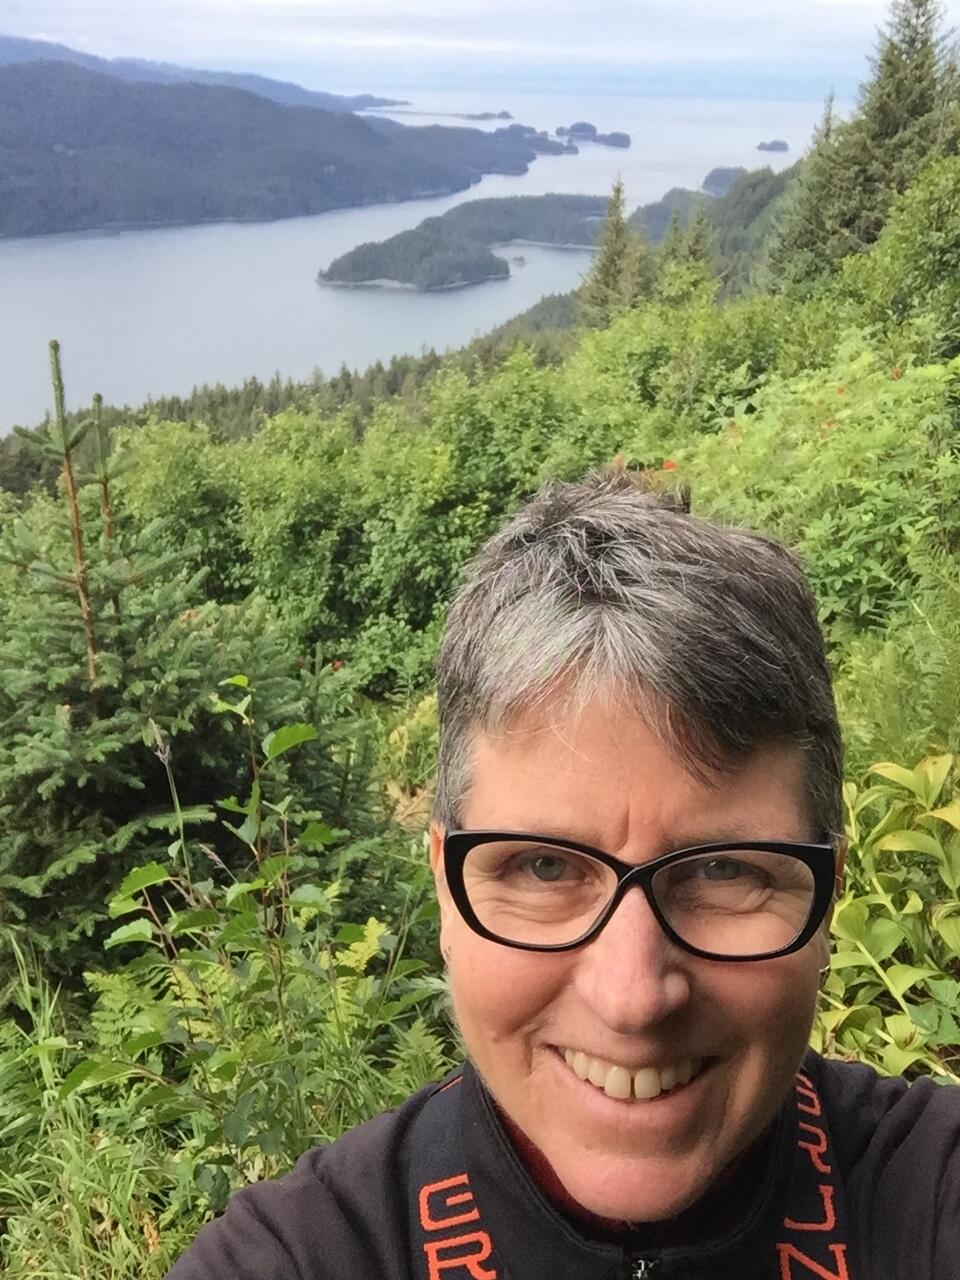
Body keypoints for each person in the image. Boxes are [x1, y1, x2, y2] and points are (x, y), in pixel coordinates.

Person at [168, 470, 960, 1280]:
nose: (634, 998)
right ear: (446, 887)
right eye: (544, 867)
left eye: (724, 871)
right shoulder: (302, 1256)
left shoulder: (932, 1191)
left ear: (828, 895)